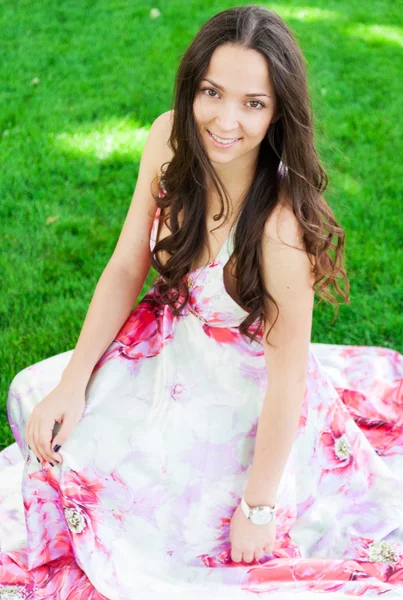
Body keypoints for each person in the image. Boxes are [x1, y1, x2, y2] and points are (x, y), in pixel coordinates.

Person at [1, 4, 402, 599]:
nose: (225, 120)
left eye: (254, 103)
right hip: (171, 350)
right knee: (39, 398)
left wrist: (258, 506)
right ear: (193, 86)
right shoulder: (168, 137)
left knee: (169, 545)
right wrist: (75, 379)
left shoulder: (280, 230)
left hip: (246, 397)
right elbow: (126, 265)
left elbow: (287, 381)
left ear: (278, 113)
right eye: (213, 92)